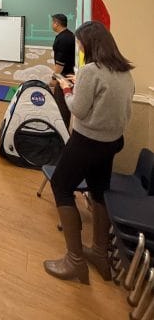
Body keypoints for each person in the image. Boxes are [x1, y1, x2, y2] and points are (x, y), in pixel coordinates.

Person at [43, 21, 134, 285]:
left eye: (81, 44)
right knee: (98, 190)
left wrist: (67, 89)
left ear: (90, 44)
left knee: (61, 185)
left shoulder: (90, 71)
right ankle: (99, 253)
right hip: (112, 141)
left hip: (87, 141)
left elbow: (79, 110)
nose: (80, 48)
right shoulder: (124, 71)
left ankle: (75, 261)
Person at [49, 13, 76, 130]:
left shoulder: (63, 39)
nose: (52, 24)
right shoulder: (68, 35)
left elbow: (60, 63)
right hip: (68, 74)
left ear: (56, 23)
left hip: (64, 76)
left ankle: (62, 132)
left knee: (61, 105)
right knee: (62, 104)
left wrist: (54, 79)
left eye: (53, 22)